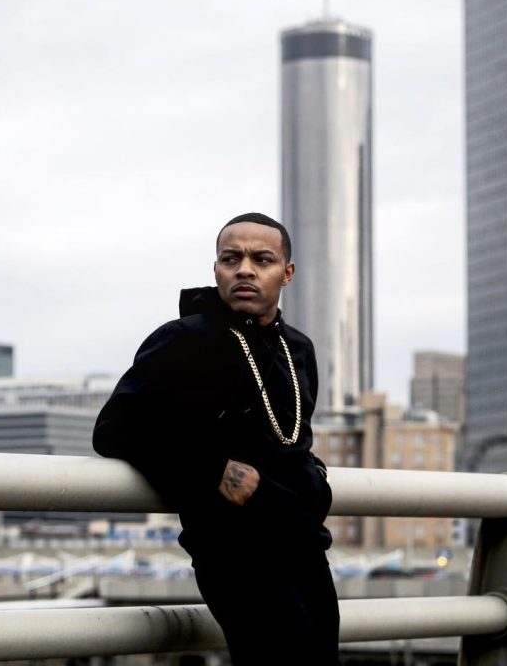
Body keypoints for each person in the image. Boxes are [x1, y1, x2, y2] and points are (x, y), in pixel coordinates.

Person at [92, 212, 339, 665]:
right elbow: (114, 429)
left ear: (286, 273)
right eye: (231, 259)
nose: (244, 270)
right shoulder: (183, 339)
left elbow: (295, 438)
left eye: (261, 260)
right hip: (235, 551)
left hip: (304, 543)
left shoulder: (299, 348)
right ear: (217, 269)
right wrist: (214, 472)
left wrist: (314, 479)